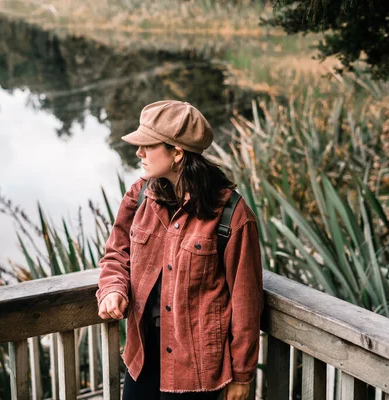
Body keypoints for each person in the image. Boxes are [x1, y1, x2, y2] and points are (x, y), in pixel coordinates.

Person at [96, 100, 263, 400]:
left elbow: (246, 302)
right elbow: (116, 253)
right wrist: (112, 288)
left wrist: (241, 375)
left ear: (177, 152)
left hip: (197, 369)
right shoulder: (140, 195)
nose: (139, 153)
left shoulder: (231, 215)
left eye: (148, 145)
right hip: (142, 356)